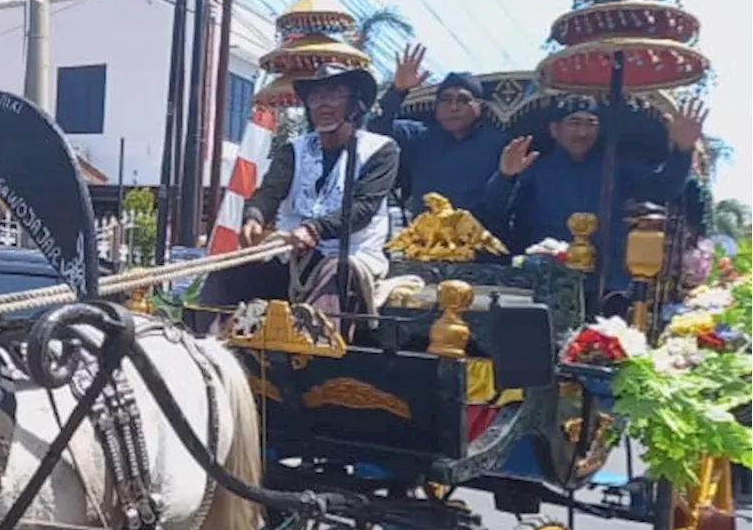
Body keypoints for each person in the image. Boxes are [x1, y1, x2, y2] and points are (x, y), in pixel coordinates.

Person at [191, 62, 399, 333]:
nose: (323, 104)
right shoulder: (293, 150)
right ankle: (204, 348)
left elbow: (363, 207)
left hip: (350, 257)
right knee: (229, 269)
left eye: (334, 94)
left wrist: (313, 229)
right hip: (290, 254)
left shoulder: (380, 150)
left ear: (355, 105)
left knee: (332, 272)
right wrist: (254, 216)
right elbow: (269, 191)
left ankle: (311, 355)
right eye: (316, 97)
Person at [485, 95, 706, 309]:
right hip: (545, 278)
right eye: (574, 122)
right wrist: (506, 176)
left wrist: (682, 150)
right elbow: (494, 214)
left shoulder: (617, 167)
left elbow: (665, 187)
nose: (582, 132)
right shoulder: (534, 169)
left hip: (608, 282)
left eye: (591, 124)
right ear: (555, 129)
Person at [369, 45, 509, 238]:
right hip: (426, 245)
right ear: (436, 107)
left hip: (483, 246)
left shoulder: (500, 144)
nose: (453, 107)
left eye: (463, 100)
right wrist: (397, 91)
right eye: (446, 100)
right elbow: (376, 129)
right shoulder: (419, 136)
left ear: (480, 107)